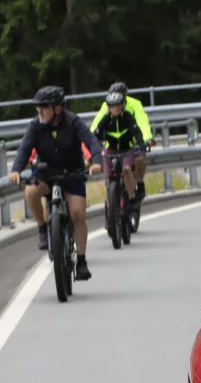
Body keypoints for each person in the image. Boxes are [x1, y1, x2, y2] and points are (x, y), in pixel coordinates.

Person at [10, 85, 103, 280]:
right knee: (30, 191)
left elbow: (91, 141)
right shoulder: (35, 126)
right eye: (38, 107)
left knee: (77, 213)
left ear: (57, 108)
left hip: (72, 173)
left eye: (44, 107)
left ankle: (81, 261)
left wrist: (96, 162)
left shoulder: (73, 122)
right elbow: (24, 148)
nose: (40, 111)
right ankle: (43, 228)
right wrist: (16, 170)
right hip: (46, 173)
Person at [90, 82, 153, 213]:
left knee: (139, 158)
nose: (115, 107)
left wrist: (146, 139)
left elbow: (142, 123)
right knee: (108, 177)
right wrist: (89, 141)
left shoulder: (134, 105)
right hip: (112, 146)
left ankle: (140, 183)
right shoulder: (107, 106)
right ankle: (111, 201)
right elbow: (97, 123)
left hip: (131, 143)